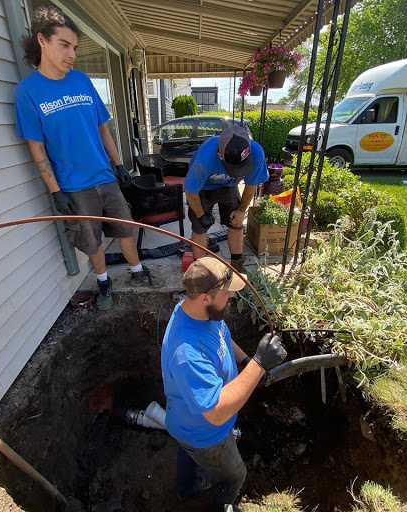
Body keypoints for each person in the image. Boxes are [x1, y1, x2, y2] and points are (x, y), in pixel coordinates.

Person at [15, 5, 155, 311]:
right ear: (42, 40)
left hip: (104, 175)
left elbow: (103, 128)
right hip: (74, 185)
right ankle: (104, 282)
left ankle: (137, 272)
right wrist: (55, 192)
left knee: (125, 228)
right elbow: (36, 148)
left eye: (75, 47)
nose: (72, 54)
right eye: (64, 45)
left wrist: (118, 164)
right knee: (90, 239)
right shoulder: (28, 92)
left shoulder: (81, 81)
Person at [161, 257, 287, 511]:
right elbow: (216, 412)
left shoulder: (198, 312)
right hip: (207, 436)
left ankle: (185, 489)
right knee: (233, 477)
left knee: (188, 452)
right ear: (205, 297)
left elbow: (222, 337)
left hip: (185, 425)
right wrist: (260, 364)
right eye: (227, 293)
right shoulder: (187, 352)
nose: (232, 297)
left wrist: (245, 360)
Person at [184, 125, 268, 273]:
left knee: (236, 223)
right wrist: (201, 215)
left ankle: (236, 264)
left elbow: (251, 185)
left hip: (229, 185)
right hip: (203, 187)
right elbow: (190, 192)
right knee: (199, 227)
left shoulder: (256, 153)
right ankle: (200, 270)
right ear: (220, 155)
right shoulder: (205, 159)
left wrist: (241, 210)